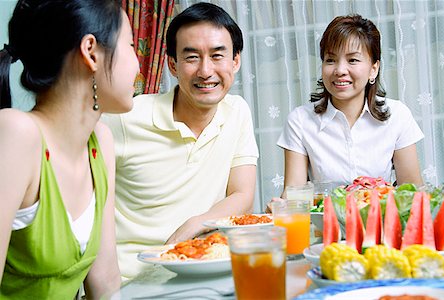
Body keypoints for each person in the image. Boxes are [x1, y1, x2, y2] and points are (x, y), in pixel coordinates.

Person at [102, 2, 258, 279]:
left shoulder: (237, 112)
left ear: (236, 61)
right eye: (192, 57)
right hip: (132, 281)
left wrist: (195, 224)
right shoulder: (125, 118)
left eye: (217, 55)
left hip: (201, 268)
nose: (206, 71)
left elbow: (242, 194)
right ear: (172, 64)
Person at [0, 0, 139, 298]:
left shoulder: (99, 142)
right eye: (129, 45)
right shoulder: (15, 134)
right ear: (91, 52)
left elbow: (105, 281)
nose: (139, 63)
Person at [276, 14, 423, 200]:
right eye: (330, 60)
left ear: (373, 69)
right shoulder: (300, 120)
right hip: (325, 226)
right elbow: (294, 195)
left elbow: (411, 193)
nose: (339, 70)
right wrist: (281, 208)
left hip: (381, 224)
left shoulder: (398, 115)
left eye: (352, 60)